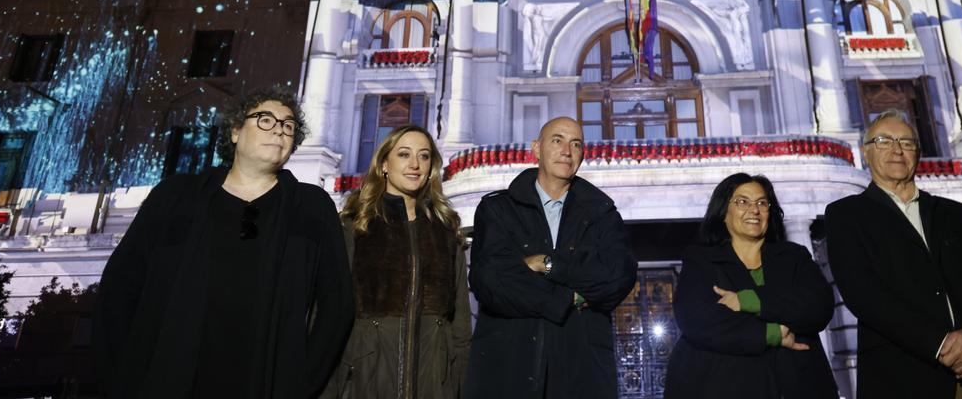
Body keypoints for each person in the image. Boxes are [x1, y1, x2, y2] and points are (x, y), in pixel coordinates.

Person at [96, 86, 354, 399]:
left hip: (266, 383)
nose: (279, 131)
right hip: (169, 379)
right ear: (235, 131)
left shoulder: (312, 208)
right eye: (265, 120)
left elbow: (337, 302)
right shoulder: (176, 197)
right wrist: (126, 376)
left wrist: (303, 380)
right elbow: (120, 287)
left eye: (288, 125)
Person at [824, 109, 962, 399]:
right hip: (902, 378)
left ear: (917, 152)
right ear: (866, 152)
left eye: (906, 142)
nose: (897, 149)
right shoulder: (846, 215)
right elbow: (864, 295)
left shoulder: (959, 215)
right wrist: (942, 345)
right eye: (884, 141)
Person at [466, 116, 637, 399]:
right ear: (537, 148)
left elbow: (616, 277)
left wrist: (548, 264)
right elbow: (491, 281)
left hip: (581, 371)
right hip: (509, 367)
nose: (567, 151)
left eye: (576, 144)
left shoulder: (602, 214)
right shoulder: (497, 209)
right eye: (557, 140)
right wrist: (568, 299)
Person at [321, 124, 471, 399]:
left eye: (424, 156)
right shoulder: (357, 226)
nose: (415, 164)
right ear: (385, 164)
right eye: (404, 154)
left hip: (434, 382)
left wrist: (458, 384)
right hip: (367, 380)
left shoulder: (445, 231)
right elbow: (330, 315)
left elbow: (460, 322)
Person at [664, 173, 839, 399]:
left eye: (762, 203)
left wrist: (748, 301)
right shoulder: (701, 260)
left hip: (796, 382)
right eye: (742, 202)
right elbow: (697, 320)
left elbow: (818, 306)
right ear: (724, 213)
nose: (754, 210)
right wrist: (773, 333)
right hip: (723, 384)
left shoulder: (794, 257)